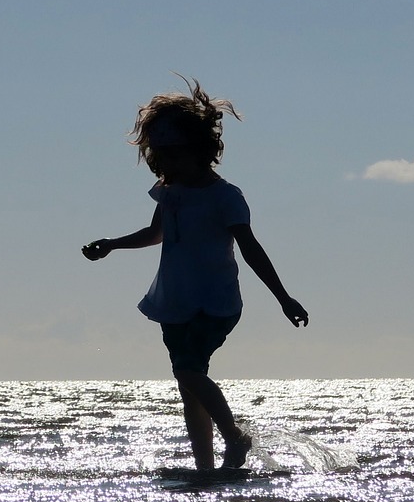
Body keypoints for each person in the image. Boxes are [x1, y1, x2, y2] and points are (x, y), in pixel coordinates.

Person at [82, 77, 308, 471]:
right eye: (162, 156)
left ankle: (235, 439)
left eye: (175, 155)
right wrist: (113, 244)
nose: (167, 164)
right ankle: (206, 468)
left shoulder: (225, 197)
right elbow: (156, 234)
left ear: (201, 151)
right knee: (189, 386)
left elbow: (251, 248)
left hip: (214, 301)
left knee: (187, 370)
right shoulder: (171, 192)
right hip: (175, 301)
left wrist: (284, 298)